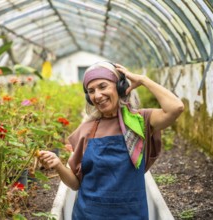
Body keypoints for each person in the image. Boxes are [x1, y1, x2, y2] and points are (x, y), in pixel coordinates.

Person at [38, 61, 184, 219]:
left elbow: (176, 108)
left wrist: (142, 80)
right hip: (88, 215)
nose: (97, 95)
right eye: (91, 91)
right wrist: (58, 165)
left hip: (131, 214)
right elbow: (75, 183)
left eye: (103, 86)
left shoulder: (141, 120)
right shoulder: (86, 130)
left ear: (120, 87)